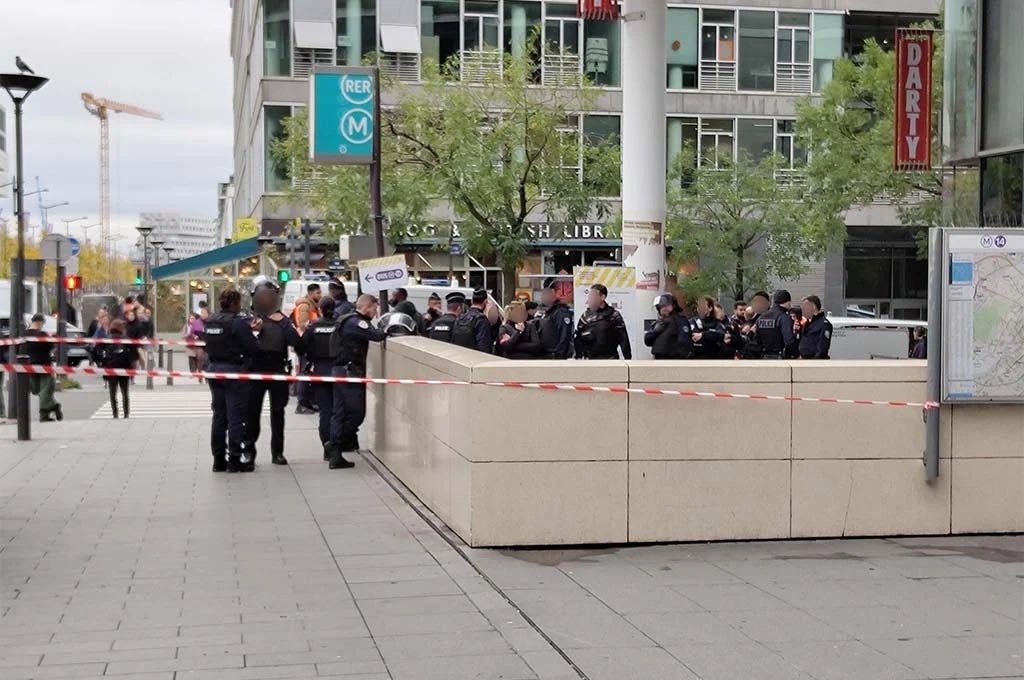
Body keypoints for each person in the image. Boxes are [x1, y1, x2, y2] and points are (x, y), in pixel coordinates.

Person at [245, 277, 303, 468]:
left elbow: (296, 342)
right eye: (263, 297)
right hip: (255, 370)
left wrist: (284, 322)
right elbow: (243, 344)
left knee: (278, 413)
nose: (266, 301)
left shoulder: (282, 320)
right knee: (252, 413)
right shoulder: (247, 319)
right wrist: (254, 330)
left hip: (277, 368)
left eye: (270, 297)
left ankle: (277, 452)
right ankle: (249, 451)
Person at [203, 289, 263, 473]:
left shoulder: (212, 320)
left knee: (219, 416)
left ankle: (218, 459)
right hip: (233, 371)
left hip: (214, 370)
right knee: (235, 416)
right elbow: (253, 348)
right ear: (235, 303)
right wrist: (254, 333)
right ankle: (235, 459)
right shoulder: (237, 323)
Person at [328, 294, 387, 470]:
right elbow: (377, 335)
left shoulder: (347, 319)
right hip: (349, 373)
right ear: (367, 306)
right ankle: (335, 443)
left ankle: (335, 450)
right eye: (375, 309)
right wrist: (390, 328)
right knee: (356, 412)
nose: (375, 313)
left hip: (340, 371)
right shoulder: (357, 323)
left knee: (339, 412)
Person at [302, 297, 340, 461]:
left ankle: (326, 446)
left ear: (321, 309)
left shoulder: (313, 326)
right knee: (337, 412)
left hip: (319, 370)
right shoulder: (339, 326)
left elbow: (303, 346)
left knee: (325, 412)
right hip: (336, 370)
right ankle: (335, 445)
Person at [93, 319, 139, 418]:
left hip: (110, 369)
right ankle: (126, 413)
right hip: (124, 369)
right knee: (124, 392)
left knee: (112, 393)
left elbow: (95, 351)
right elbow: (135, 354)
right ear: (121, 328)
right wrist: (132, 366)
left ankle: (115, 414)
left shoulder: (106, 339)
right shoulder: (126, 339)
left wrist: (101, 363)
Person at [575, 283, 631, 360]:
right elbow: (578, 338)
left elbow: (623, 338)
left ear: (603, 297)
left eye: (593, 296)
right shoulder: (585, 315)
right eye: (590, 296)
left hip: (610, 359)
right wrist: (578, 357)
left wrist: (628, 359)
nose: (590, 299)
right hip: (590, 360)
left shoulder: (614, 315)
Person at [24, 314, 63, 422]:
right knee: (41, 390)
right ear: (40, 322)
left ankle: (44, 415)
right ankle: (54, 405)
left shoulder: (25, 335)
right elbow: (50, 346)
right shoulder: (42, 334)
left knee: (40, 390)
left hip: (31, 366)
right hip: (44, 365)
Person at [292, 283, 322, 414]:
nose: (320, 296)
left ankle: (307, 402)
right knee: (304, 373)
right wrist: (318, 324)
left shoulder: (313, 306)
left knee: (307, 372)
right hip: (305, 343)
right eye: (317, 293)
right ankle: (302, 403)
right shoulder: (305, 306)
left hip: (308, 343)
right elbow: (303, 324)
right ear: (310, 293)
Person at [644, 293, 694, 359]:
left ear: (673, 305)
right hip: (658, 359)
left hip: (673, 360)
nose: (664, 308)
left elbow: (684, 341)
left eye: (666, 305)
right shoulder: (658, 323)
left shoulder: (680, 320)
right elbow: (647, 341)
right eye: (661, 306)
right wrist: (655, 331)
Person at [536, 278, 573, 359]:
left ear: (552, 292)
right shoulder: (548, 312)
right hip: (545, 355)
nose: (542, 297)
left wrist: (558, 356)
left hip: (554, 356)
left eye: (544, 293)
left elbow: (564, 336)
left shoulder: (561, 312)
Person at [754, 290, 797, 360]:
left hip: (763, 356)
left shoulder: (762, 317)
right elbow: (789, 341)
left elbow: (757, 338)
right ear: (787, 301)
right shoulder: (783, 317)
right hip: (779, 357)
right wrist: (796, 355)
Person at [452, 289, 493, 353]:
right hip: (475, 360)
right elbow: (484, 347)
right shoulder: (481, 320)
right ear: (485, 302)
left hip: (459, 356)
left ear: (471, 301)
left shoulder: (460, 318)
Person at [798, 295, 833, 360]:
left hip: (814, 361)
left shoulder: (824, 324)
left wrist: (815, 362)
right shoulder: (807, 323)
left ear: (813, 307)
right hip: (803, 361)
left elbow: (822, 347)